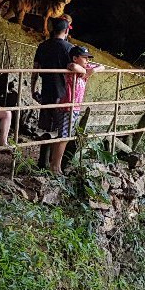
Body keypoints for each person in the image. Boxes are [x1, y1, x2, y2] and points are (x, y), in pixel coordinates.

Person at [50, 45, 102, 173]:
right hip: (67, 106)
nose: (87, 61)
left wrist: (92, 70)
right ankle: (55, 167)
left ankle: (55, 165)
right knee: (64, 137)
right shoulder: (71, 68)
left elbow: (102, 66)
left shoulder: (84, 70)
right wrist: (86, 71)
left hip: (74, 108)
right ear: (75, 58)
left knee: (65, 136)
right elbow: (73, 66)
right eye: (85, 58)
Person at [31, 17, 74, 170]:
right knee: (61, 130)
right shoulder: (69, 48)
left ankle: (42, 161)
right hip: (63, 93)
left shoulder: (42, 46)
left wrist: (32, 88)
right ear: (66, 30)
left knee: (45, 127)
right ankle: (54, 164)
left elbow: (36, 68)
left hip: (46, 91)